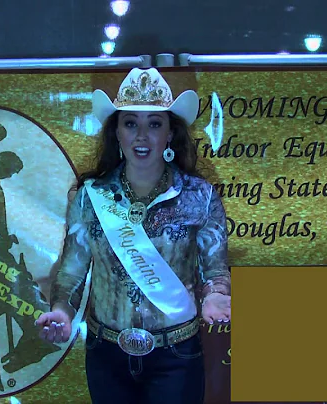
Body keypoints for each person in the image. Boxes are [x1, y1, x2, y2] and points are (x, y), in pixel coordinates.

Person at [36, 68, 231, 403]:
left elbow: (214, 268)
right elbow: (72, 269)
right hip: (107, 355)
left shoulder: (200, 196)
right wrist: (62, 311)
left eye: (154, 124)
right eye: (131, 124)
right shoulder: (91, 196)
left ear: (170, 133)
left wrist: (215, 295)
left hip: (176, 356)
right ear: (117, 133)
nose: (142, 136)